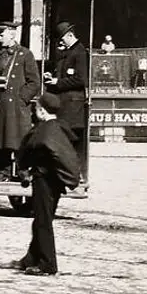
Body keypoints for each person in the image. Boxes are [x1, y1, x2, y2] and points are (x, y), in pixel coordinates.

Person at [11, 93, 81, 276]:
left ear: (42, 110)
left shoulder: (44, 131)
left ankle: (48, 264)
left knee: (43, 222)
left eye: (36, 109)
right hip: (56, 181)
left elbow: (29, 150)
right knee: (42, 219)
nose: (35, 112)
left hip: (44, 180)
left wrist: (25, 166)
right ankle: (31, 258)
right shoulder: (60, 128)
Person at [0, 22, 40, 180]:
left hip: (17, 106)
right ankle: (2, 171)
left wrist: (22, 98)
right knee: (0, 139)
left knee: (20, 139)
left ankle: (23, 171)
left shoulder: (25, 54)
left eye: (2, 35)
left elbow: (34, 82)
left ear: (12, 34)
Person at [44, 22, 89, 187]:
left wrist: (58, 81)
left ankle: (74, 174)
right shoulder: (68, 52)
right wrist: (52, 76)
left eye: (63, 39)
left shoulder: (79, 52)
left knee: (72, 140)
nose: (61, 42)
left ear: (70, 35)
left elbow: (81, 79)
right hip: (65, 103)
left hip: (73, 105)